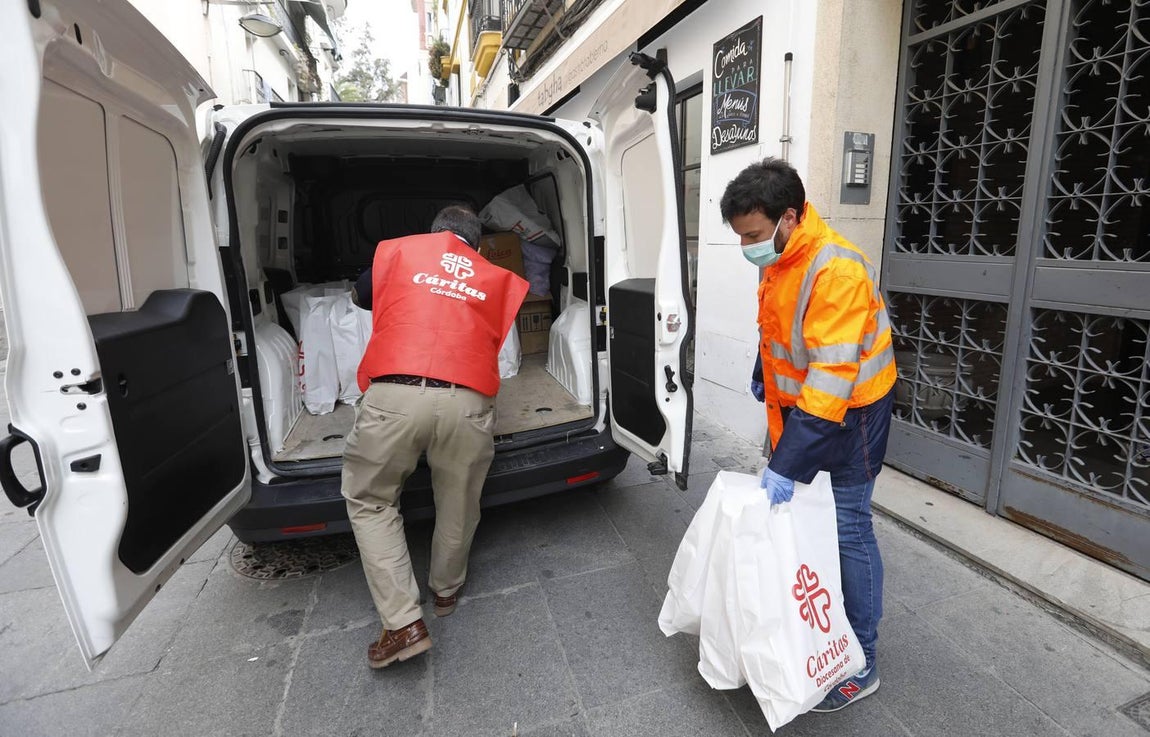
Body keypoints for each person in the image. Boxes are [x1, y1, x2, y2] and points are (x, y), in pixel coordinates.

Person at [720, 158, 897, 712]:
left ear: (788, 217)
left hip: (853, 419)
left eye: (752, 234)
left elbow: (830, 381)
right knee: (806, 524)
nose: (747, 245)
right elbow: (778, 328)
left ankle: (862, 659)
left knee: (847, 528)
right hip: (804, 414)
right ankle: (820, 628)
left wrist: (784, 464)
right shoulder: (784, 257)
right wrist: (762, 380)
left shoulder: (836, 269)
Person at [343, 205, 528, 669]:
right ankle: (446, 591)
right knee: (460, 497)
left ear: (434, 233)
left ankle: (403, 622)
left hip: (395, 395)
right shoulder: (494, 276)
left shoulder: (399, 252)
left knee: (371, 500)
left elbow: (362, 297)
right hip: (467, 401)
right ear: (478, 244)